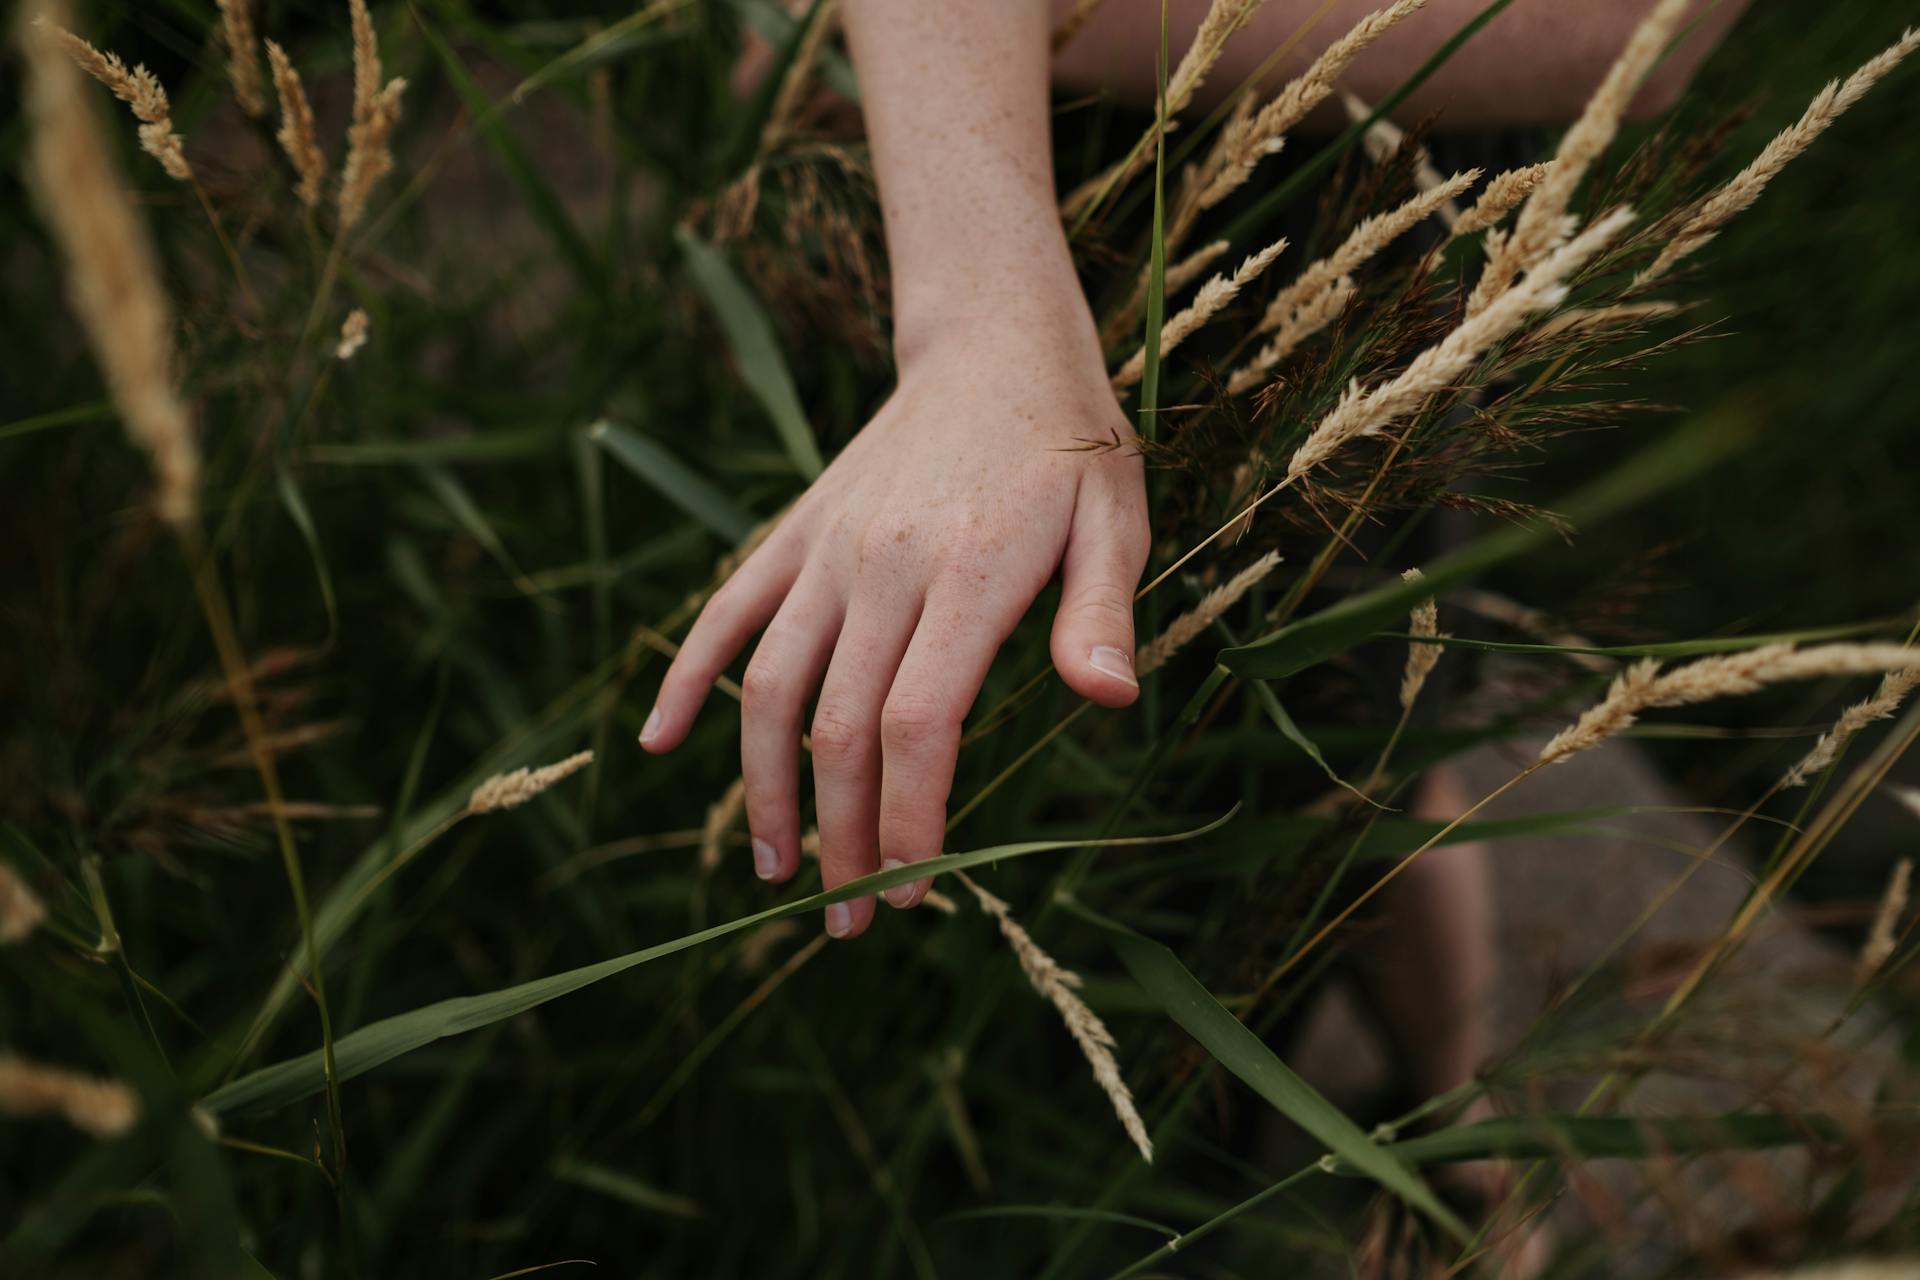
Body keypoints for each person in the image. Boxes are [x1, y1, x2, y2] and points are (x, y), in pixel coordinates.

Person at [643, 0, 1745, 941]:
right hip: (935, 172)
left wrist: (969, 30)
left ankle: (1440, 1104)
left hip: (1348, 220)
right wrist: (978, 306)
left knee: (1340, 767)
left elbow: (1629, 24)